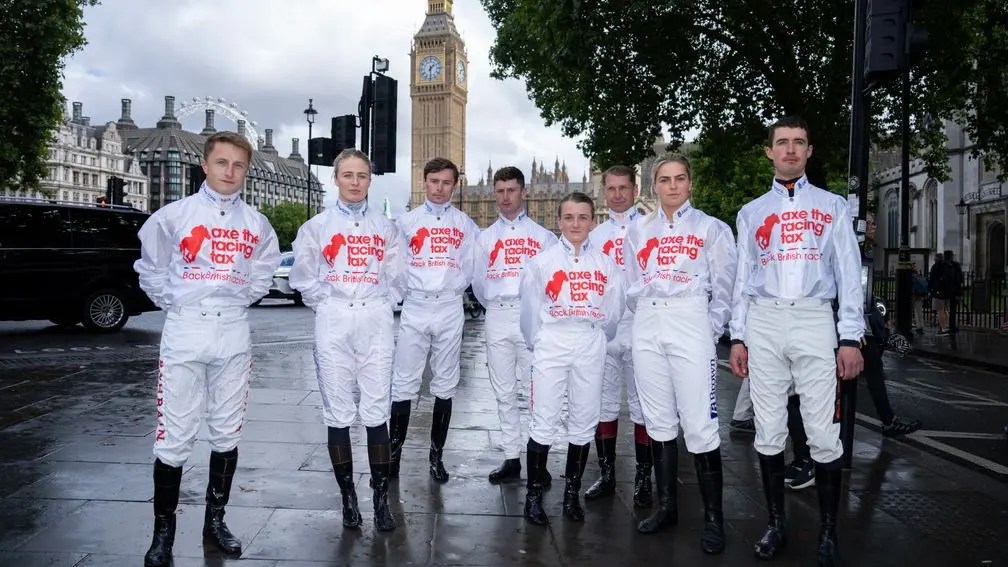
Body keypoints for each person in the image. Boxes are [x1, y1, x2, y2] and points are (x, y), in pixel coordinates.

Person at [134, 131, 281, 567]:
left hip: (233, 331)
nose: (230, 172)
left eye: (238, 165)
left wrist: (235, 299)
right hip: (185, 330)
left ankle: (215, 522)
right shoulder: (174, 216)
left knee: (227, 430)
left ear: (246, 170)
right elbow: (150, 269)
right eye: (222, 163)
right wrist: (179, 302)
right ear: (205, 165)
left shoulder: (256, 224)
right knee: (174, 435)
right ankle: (163, 534)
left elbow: (264, 271)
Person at [728, 116, 864, 565]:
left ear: (809, 151)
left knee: (823, 432)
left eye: (799, 143)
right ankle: (776, 524)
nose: (790, 150)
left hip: (812, 317)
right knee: (768, 431)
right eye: (782, 143)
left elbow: (848, 272)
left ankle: (828, 532)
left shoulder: (833, 207)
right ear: (769, 151)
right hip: (764, 320)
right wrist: (738, 337)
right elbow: (742, 282)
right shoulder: (750, 213)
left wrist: (851, 338)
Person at [623, 155, 736, 554]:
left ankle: (713, 519)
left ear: (690, 183)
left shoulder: (712, 228)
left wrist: (710, 328)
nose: (672, 186)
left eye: (680, 178)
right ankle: (667, 506)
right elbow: (631, 283)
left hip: (691, 320)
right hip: (649, 323)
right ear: (654, 186)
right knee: (658, 422)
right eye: (665, 180)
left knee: (700, 425)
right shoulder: (637, 230)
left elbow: (725, 288)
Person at [289, 149, 405, 532]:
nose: (355, 182)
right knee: (338, 410)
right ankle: (348, 499)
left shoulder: (386, 228)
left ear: (370, 181)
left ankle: (380, 500)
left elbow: (398, 275)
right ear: (336, 178)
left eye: (363, 175)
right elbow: (303, 277)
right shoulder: (317, 227)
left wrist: (381, 303)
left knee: (376, 410)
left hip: (374, 317)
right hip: (335, 318)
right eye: (348, 175)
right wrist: (329, 303)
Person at [519, 191, 625, 525]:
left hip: (590, 341)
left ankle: (571, 496)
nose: (575, 223)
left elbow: (614, 311)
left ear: (593, 221)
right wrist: (543, 340)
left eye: (583, 217)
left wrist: (594, 335)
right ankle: (533, 497)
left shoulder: (607, 264)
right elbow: (529, 315)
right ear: (559, 220)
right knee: (544, 419)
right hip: (553, 339)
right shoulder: (541, 263)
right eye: (569, 217)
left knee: (583, 420)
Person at [390, 157, 478, 483]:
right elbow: (395, 266)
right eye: (434, 182)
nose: (440, 188)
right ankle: (393, 457)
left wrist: (452, 288)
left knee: (445, 383)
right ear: (424, 182)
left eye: (446, 183)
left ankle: (436, 457)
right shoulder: (406, 222)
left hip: (449, 306)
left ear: (454, 185)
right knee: (404, 382)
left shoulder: (465, 225)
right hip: (416, 305)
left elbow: (470, 266)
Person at [471, 166, 558, 484]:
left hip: (531, 316)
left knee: (538, 391)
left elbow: (551, 285)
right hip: (497, 314)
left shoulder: (544, 238)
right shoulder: (484, 238)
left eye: (511, 190)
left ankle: (539, 458)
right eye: (500, 191)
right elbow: (478, 284)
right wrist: (496, 306)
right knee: (504, 391)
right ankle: (511, 457)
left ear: (523, 192)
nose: (506, 197)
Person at [583, 165, 654, 508]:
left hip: (640, 324)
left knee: (643, 406)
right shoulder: (593, 236)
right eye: (611, 188)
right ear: (604, 191)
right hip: (605, 327)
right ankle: (607, 474)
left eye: (623, 188)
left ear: (635, 189)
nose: (617, 194)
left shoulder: (650, 228)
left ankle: (643, 477)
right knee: (605, 403)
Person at [928, 254, 952, 335]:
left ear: (936, 259)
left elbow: (931, 279)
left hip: (938, 291)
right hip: (947, 292)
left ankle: (943, 328)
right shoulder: (948, 266)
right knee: (945, 310)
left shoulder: (935, 267)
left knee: (940, 311)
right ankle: (947, 326)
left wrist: (930, 290)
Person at [944, 250, 964, 334]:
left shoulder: (942, 265)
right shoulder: (955, 265)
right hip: (953, 290)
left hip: (944, 290)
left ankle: (944, 326)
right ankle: (951, 326)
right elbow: (959, 279)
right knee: (952, 310)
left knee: (942, 309)